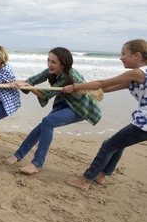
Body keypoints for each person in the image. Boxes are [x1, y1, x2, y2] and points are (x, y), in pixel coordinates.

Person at [63, 39, 147, 190]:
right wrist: (84, 90)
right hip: (143, 122)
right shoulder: (138, 76)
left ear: (137, 55)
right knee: (118, 144)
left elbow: (102, 83)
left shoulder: (138, 72)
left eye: (123, 54)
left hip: (144, 123)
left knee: (109, 145)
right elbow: (107, 88)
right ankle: (101, 176)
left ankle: (85, 180)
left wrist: (74, 86)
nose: (121, 58)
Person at [5, 47, 102, 174]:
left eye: (53, 62)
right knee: (42, 127)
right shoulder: (51, 71)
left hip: (80, 108)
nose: (50, 64)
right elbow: (32, 81)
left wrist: (28, 86)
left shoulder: (69, 76)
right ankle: (18, 155)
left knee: (48, 122)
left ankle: (37, 164)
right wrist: (17, 83)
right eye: (48, 60)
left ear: (63, 64)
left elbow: (44, 95)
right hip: (65, 103)